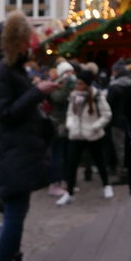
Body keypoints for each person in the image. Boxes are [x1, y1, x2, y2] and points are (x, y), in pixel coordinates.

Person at [0, 12, 58, 261]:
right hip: (14, 150)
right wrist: (37, 92)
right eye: (24, 40)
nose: (29, 45)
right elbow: (6, 113)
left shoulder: (12, 70)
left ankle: (12, 259)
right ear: (13, 43)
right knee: (15, 212)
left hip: (22, 149)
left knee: (19, 210)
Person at [57, 71, 113, 206]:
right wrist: (70, 124)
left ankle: (106, 185)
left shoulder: (97, 96)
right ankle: (69, 193)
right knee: (72, 164)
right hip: (76, 135)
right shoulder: (74, 96)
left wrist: (95, 127)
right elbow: (70, 113)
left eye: (80, 83)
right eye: (77, 82)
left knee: (99, 161)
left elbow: (106, 114)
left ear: (87, 84)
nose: (77, 85)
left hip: (93, 135)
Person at [46, 61, 75, 198]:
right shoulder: (55, 85)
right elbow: (58, 98)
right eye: (68, 72)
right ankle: (54, 183)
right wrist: (67, 87)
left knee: (66, 154)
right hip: (57, 124)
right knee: (57, 155)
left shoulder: (70, 84)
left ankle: (65, 180)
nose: (71, 75)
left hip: (68, 123)